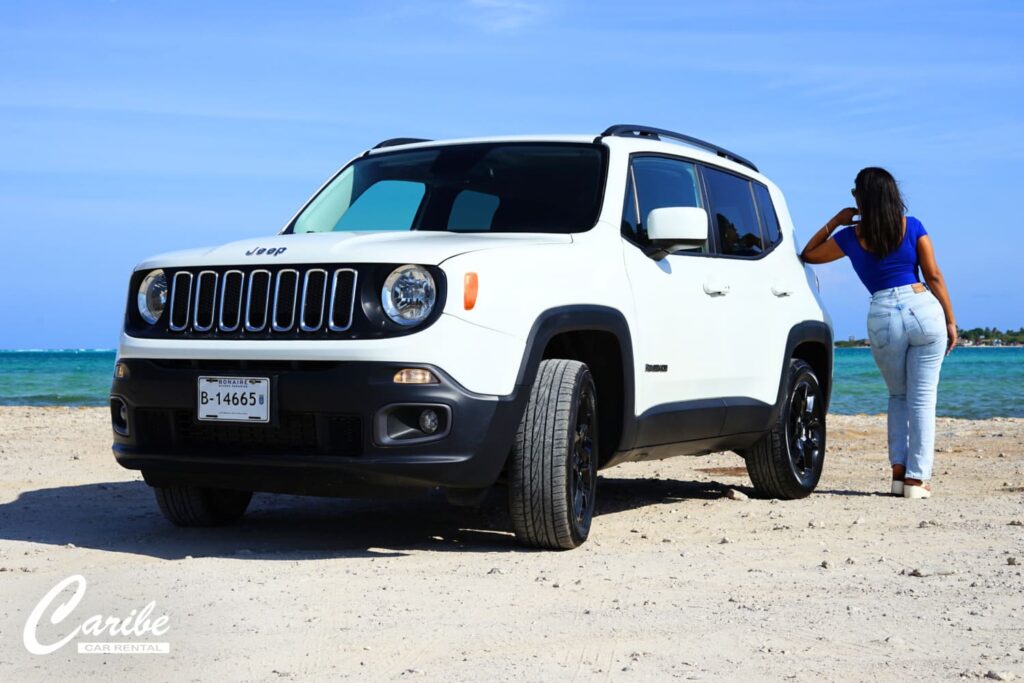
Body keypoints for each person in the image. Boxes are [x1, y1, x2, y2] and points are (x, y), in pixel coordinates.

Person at [801, 167, 956, 499]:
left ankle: (898, 475)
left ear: (862, 198)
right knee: (923, 400)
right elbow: (934, 275)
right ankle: (917, 481)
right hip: (922, 306)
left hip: (883, 313)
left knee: (898, 396)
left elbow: (809, 253)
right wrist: (951, 321)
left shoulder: (850, 236)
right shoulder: (912, 226)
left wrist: (836, 220)